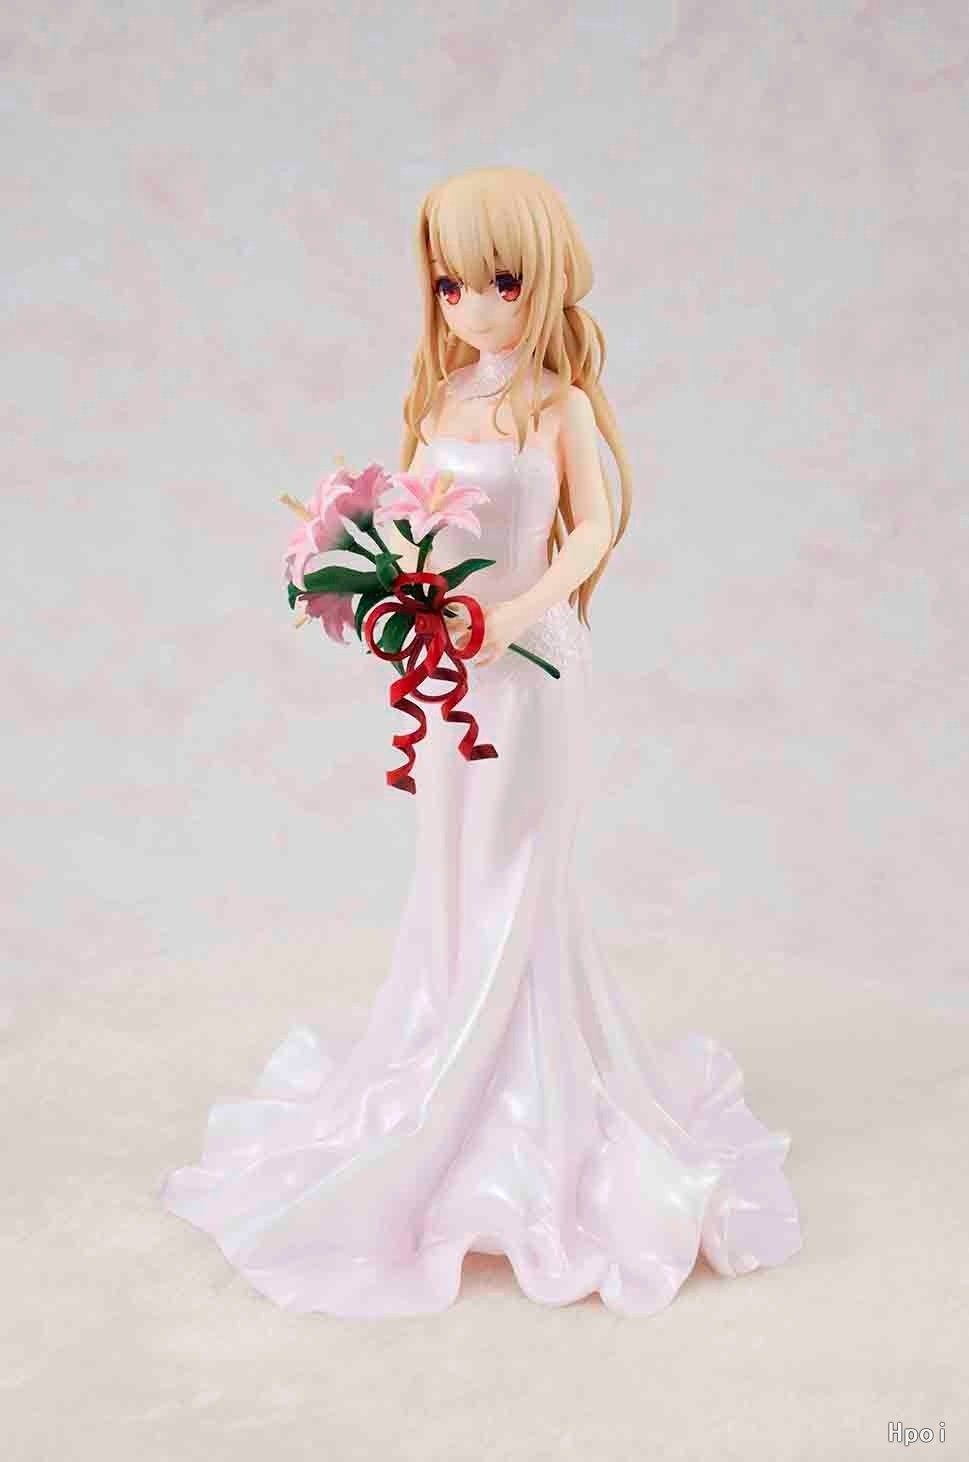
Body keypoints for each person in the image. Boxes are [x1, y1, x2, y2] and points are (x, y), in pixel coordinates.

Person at [160, 165, 802, 1317]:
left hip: (529, 671)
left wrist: (520, 610)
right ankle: (442, 1073)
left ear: (542, 279)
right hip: (449, 666)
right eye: (451, 284)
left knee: (517, 873)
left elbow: (593, 524)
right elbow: (412, 512)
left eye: (498, 281)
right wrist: (376, 576)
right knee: (451, 868)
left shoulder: (557, 407)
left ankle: (524, 1100)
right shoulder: (444, 396)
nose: (473, 307)